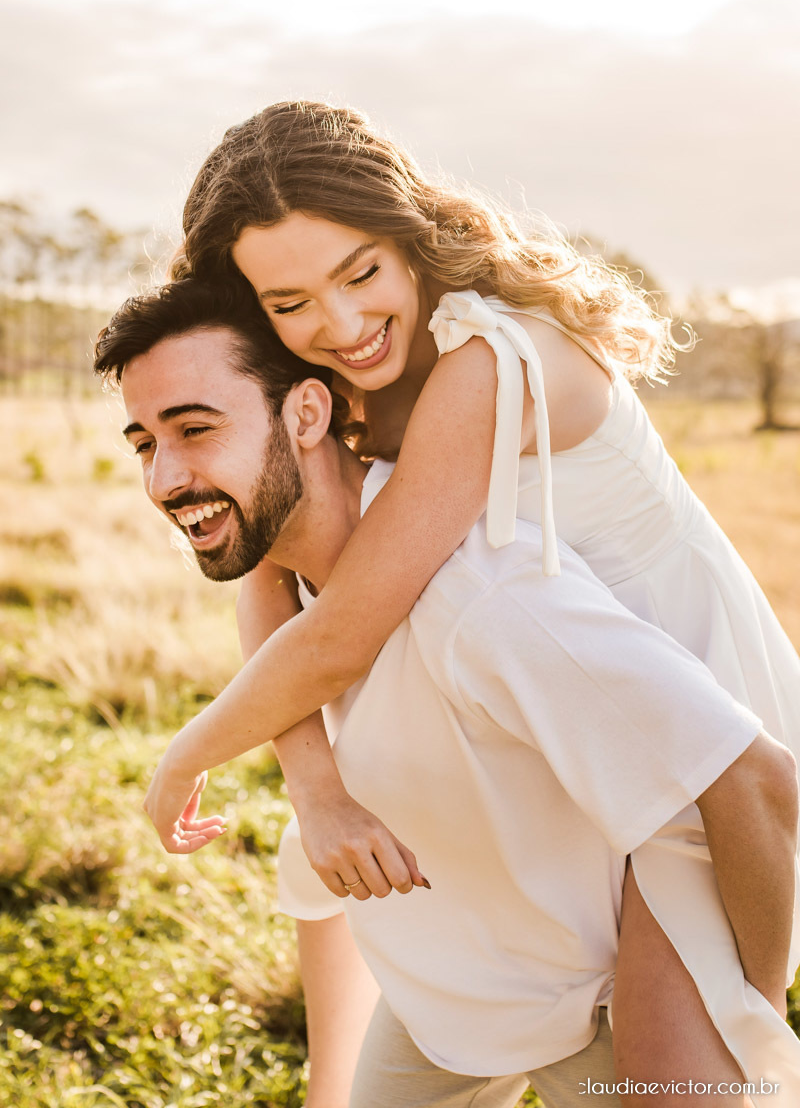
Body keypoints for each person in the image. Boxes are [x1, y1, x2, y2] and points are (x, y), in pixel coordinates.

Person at [142, 102, 800, 1102]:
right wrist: (315, 788)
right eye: (289, 303)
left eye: (360, 273)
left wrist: (188, 752)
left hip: (689, 725)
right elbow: (278, 565)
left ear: (406, 232)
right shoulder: (342, 378)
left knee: (679, 1075)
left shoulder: (484, 361)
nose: (341, 325)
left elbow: (344, 628)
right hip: (550, 718)